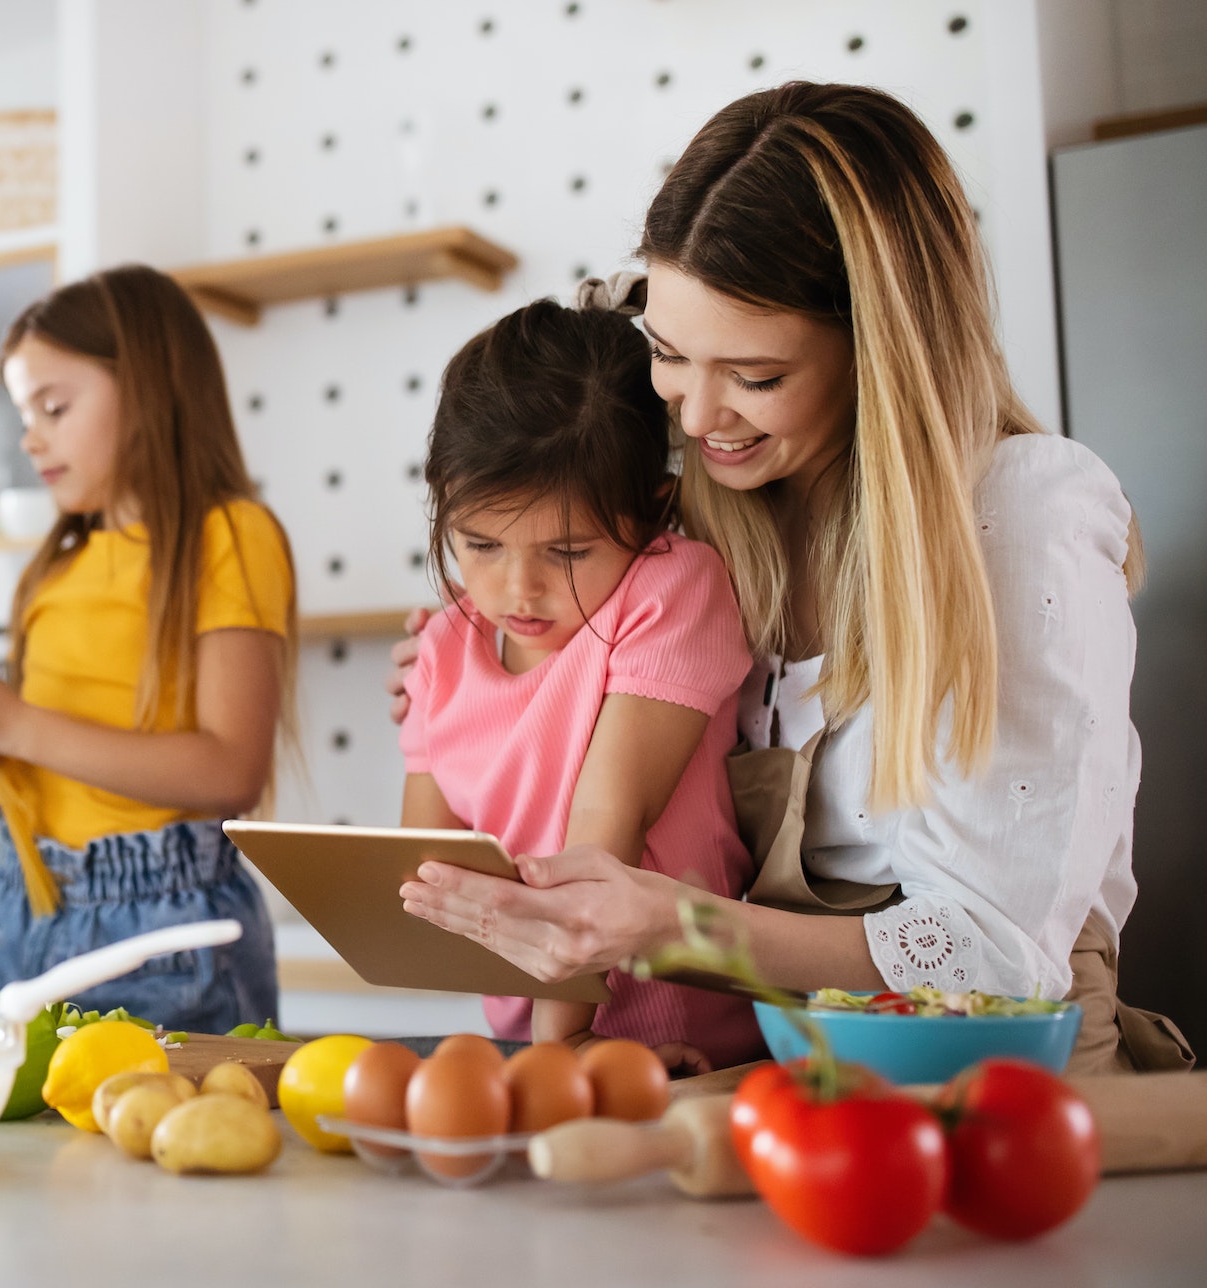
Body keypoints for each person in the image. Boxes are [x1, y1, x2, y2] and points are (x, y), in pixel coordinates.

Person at [390, 83, 1191, 1072]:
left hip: (996, 1093)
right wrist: (480, 673)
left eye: (755, 377)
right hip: (778, 1079)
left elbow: (995, 958)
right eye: (670, 357)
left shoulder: (1017, 519)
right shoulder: (717, 513)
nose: (695, 416)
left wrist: (677, 929)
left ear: (880, 353)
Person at [0, 265, 295, 1034]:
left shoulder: (229, 535)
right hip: (26, 905)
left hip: (163, 925)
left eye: (54, 406)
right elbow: (36, 789)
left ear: (151, 387)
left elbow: (231, 772)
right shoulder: (52, 568)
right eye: (27, 413)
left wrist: (13, 725)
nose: (30, 437)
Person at [399, 291, 761, 1073]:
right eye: (481, 544)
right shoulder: (441, 646)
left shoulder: (670, 589)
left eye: (566, 554)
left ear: (652, 511)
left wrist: (562, 1042)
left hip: (686, 1037)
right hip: (535, 1035)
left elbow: (611, 822)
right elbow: (427, 863)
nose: (517, 590)